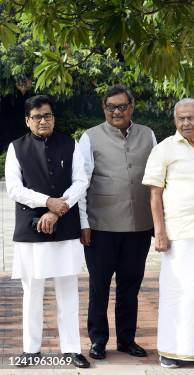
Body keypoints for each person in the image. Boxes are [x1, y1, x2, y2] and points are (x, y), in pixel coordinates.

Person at [5, 95, 90, 368]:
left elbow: (81, 181)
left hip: (64, 225)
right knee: (33, 291)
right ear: (28, 120)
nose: (44, 121)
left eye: (48, 116)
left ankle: (72, 348)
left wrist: (57, 209)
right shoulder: (16, 147)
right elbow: (14, 189)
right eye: (38, 117)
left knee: (68, 288)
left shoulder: (70, 144)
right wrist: (46, 203)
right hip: (30, 228)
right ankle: (31, 349)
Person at [142, 98, 194, 368]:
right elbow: (155, 195)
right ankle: (170, 350)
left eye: (191, 118)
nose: (186, 123)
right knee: (178, 291)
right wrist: (160, 232)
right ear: (175, 121)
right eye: (181, 118)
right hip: (178, 232)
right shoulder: (164, 149)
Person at [79, 84, 156, 360]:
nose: (116, 112)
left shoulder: (148, 134)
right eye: (111, 107)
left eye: (122, 106)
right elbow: (81, 183)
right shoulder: (89, 137)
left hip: (138, 227)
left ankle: (126, 339)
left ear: (131, 107)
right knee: (99, 287)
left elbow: (157, 180)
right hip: (100, 228)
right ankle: (98, 340)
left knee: (130, 286)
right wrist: (83, 222)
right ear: (104, 109)